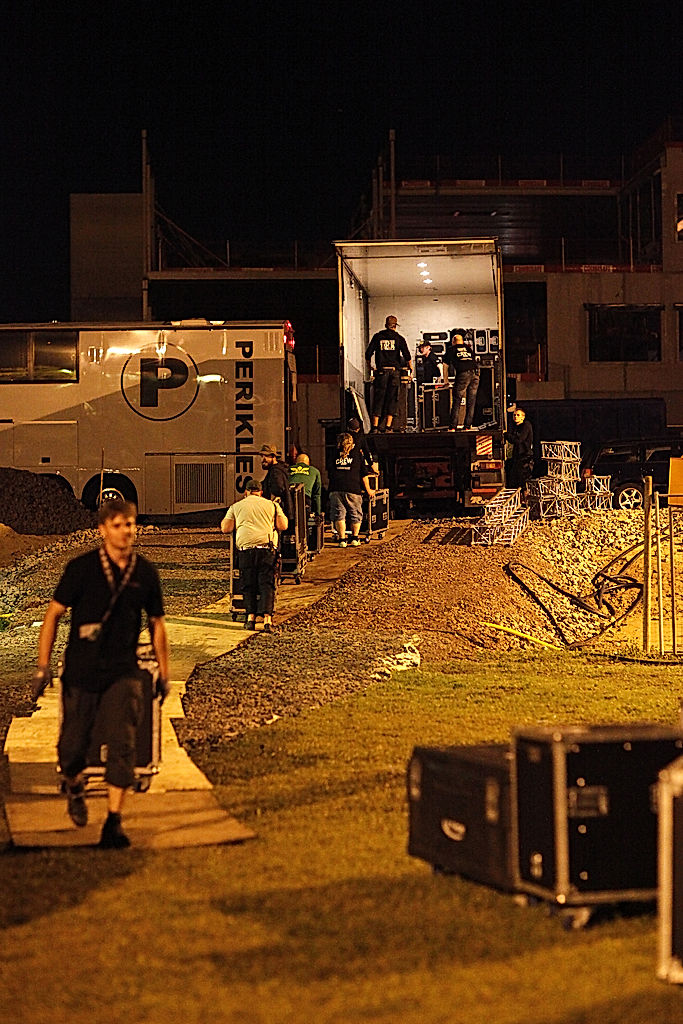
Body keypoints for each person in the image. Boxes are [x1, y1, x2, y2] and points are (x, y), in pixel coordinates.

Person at [31, 499, 169, 850]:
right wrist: (43, 666)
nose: (126, 531)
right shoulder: (81, 569)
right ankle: (75, 785)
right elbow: (52, 615)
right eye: (118, 525)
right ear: (103, 530)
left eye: (130, 524)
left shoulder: (144, 573)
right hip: (81, 672)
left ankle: (113, 821)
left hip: (124, 672)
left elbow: (157, 624)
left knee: (123, 743)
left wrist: (163, 674)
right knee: (72, 748)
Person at [221, 477, 288, 632]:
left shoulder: (236, 506)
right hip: (266, 549)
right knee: (266, 584)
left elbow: (226, 528)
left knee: (248, 585)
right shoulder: (273, 505)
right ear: (261, 492)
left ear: (246, 492)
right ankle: (267, 620)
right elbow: (283, 525)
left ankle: (250, 619)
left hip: (246, 550)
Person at [365, 315, 412, 433]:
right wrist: (410, 368)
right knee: (392, 398)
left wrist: (370, 367)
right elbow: (407, 356)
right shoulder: (399, 338)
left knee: (379, 398)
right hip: (394, 372)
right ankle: (388, 427)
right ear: (395, 326)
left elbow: (368, 354)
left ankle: (375, 427)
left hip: (381, 372)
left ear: (386, 325)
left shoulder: (377, 337)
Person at [328, 432, 373, 546]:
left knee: (339, 514)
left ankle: (342, 539)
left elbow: (330, 472)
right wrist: (368, 490)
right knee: (355, 514)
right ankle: (355, 538)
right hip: (352, 488)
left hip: (335, 488)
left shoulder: (333, 454)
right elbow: (364, 474)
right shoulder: (357, 455)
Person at [443, 331, 480, 430]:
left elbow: (445, 366)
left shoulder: (451, 349)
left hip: (463, 374)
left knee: (457, 399)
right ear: (462, 341)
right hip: (475, 374)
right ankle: (467, 426)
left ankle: (453, 426)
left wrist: (445, 381)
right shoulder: (468, 349)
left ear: (453, 342)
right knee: (471, 401)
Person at [259, 443, 294, 522]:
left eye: (266, 456)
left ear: (273, 457)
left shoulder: (275, 472)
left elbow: (277, 491)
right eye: (262, 456)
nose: (263, 459)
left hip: (280, 514)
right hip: (284, 513)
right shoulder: (280, 469)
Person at [504, 405, 534, 493]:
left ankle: (526, 497)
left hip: (525, 457)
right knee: (516, 479)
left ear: (523, 417)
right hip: (517, 456)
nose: (516, 417)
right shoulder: (516, 427)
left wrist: (507, 435)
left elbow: (519, 440)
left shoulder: (526, 425)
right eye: (514, 415)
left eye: (518, 415)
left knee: (524, 480)